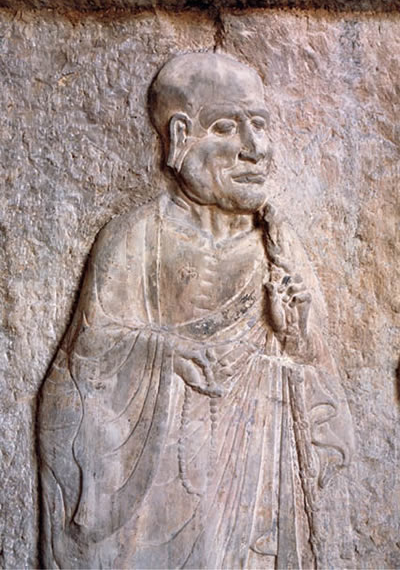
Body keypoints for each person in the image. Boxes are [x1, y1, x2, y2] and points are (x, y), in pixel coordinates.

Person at [39, 52, 354, 569]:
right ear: (180, 135)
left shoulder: (278, 246)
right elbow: (78, 376)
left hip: (256, 503)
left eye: (260, 125)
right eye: (227, 127)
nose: (255, 148)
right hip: (157, 505)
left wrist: (297, 341)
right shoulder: (137, 238)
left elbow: (324, 409)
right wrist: (163, 354)